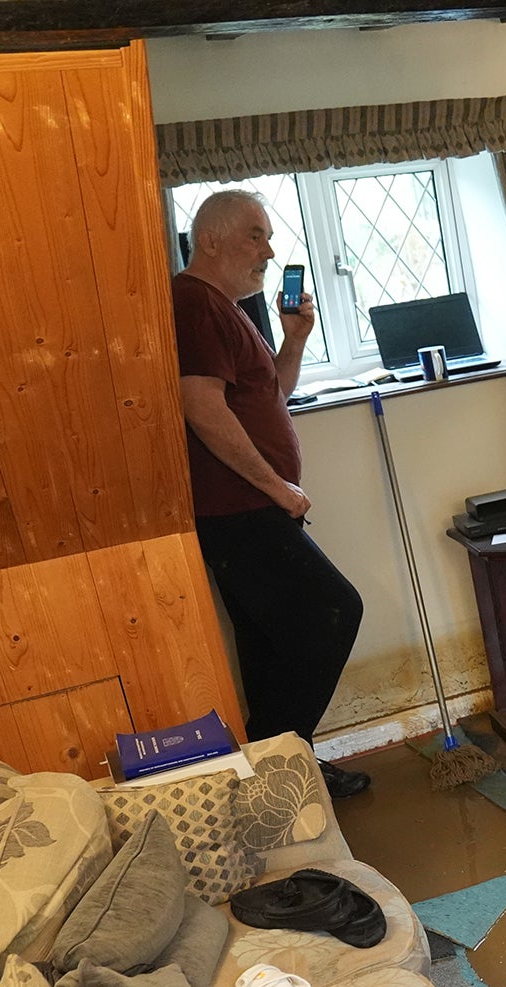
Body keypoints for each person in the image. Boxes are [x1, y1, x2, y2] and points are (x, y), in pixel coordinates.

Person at [172, 189, 370, 798]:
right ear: (211, 239)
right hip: (240, 509)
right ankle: (283, 763)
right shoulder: (194, 302)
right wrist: (277, 487)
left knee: (269, 640)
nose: (269, 250)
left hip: (251, 507)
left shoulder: (229, 309)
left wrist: (295, 337)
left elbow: (270, 396)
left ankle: (283, 768)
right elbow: (201, 408)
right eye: (256, 235)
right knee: (334, 611)